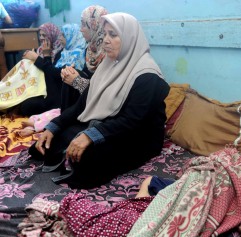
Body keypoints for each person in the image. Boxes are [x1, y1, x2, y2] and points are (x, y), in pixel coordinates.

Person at [56, 128, 241, 237]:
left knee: (173, 195)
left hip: (216, 191)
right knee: (172, 185)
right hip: (205, 178)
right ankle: (147, 201)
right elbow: (220, 163)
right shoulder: (240, 158)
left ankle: (146, 206)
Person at [28, 12, 170, 189]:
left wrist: (90, 135)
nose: (106, 40)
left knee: (87, 158)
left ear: (130, 38)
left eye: (113, 34)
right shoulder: (108, 64)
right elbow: (82, 105)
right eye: (104, 35)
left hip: (139, 136)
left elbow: (132, 120)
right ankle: (67, 152)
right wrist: (53, 126)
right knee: (47, 143)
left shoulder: (147, 76)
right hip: (109, 124)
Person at [18, 23, 86, 116]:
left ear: (73, 37)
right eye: (40, 35)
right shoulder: (62, 52)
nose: (60, 38)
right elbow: (50, 72)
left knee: (26, 107)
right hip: (48, 91)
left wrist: (41, 58)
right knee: (23, 102)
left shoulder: (78, 55)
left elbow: (58, 74)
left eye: (64, 35)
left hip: (61, 97)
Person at [59, 5, 108, 111]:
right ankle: (63, 119)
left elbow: (105, 94)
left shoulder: (110, 53)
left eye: (83, 24)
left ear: (94, 26)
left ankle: (63, 121)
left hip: (102, 107)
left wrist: (77, 81)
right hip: (85, 100)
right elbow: (87, 78)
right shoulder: (90, 49)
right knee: (70, 73)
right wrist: (69, 71)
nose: (81, 30)